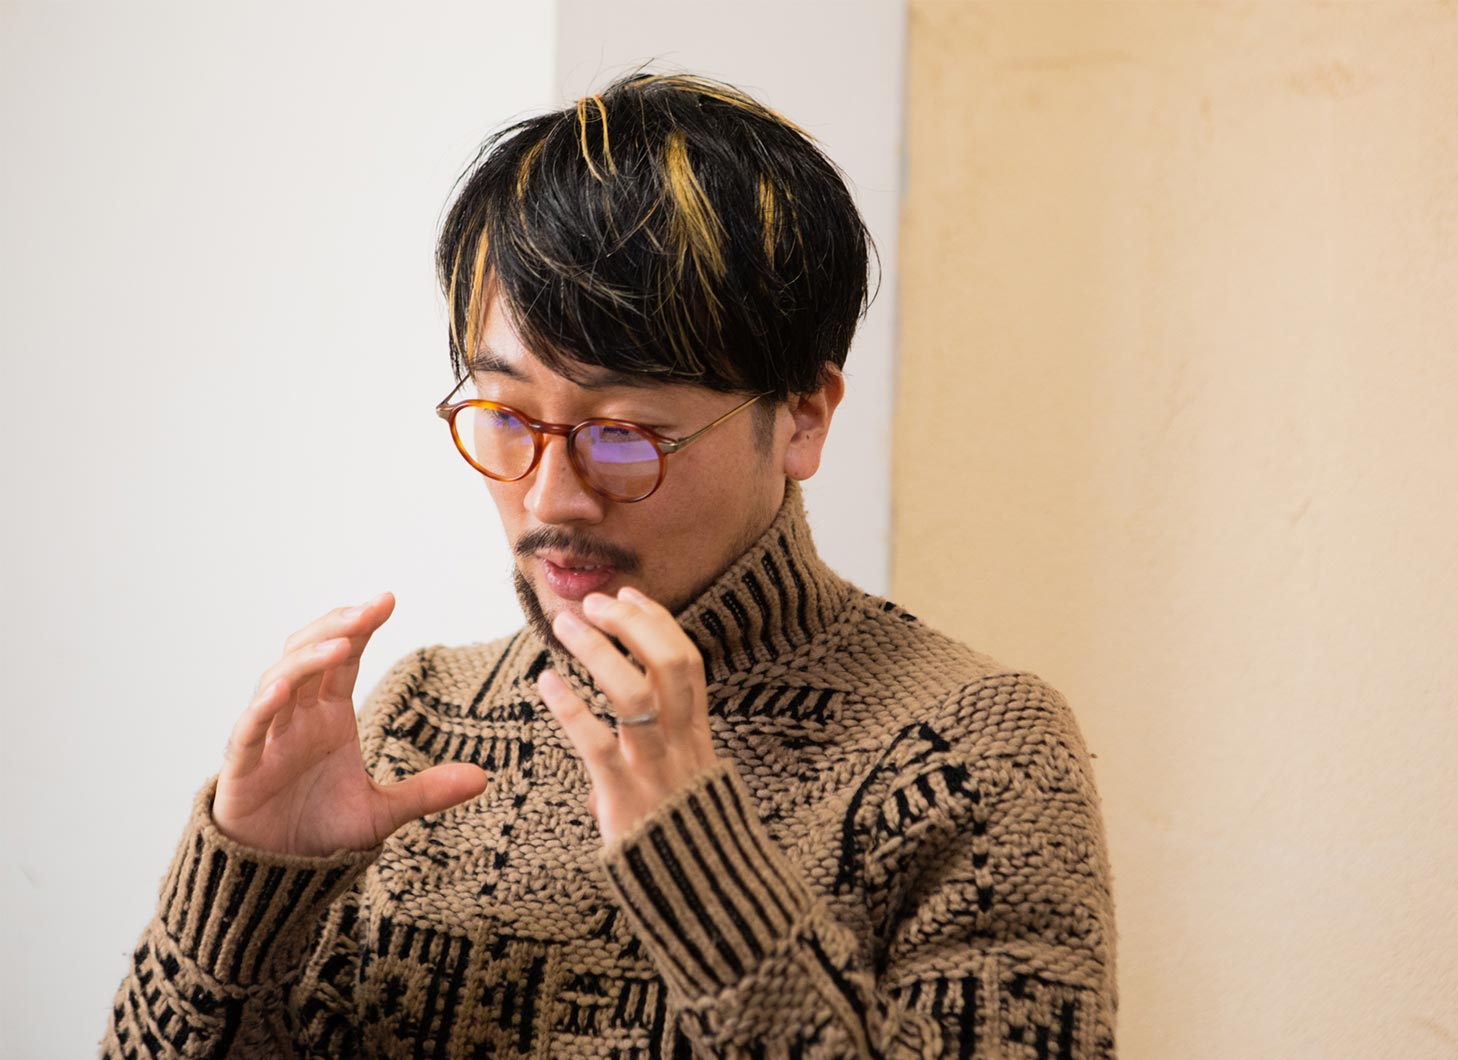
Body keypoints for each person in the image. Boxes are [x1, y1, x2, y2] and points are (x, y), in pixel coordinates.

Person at [102, 72, 1117, 1058]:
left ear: (802, 417)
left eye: (624, 434)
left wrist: (709, 884)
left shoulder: (970, 752)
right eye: (505, 416)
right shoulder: (419, 719)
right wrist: (242, 897)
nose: (551, 499)